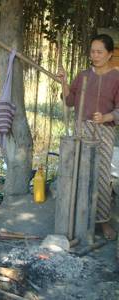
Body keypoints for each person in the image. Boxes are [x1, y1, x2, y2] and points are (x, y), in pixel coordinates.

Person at [57, 33, 119, 240]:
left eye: (100, 51)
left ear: (110, 54)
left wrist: (107, 116)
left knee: (101, 177)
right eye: (92, 51)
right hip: (81, 129)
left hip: (104, 131)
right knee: (80, 172)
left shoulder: (117, 77)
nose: (95, 55)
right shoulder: (83, 75)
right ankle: (78, 217)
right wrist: (64, 82)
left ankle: (103, 222)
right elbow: (70, 101)